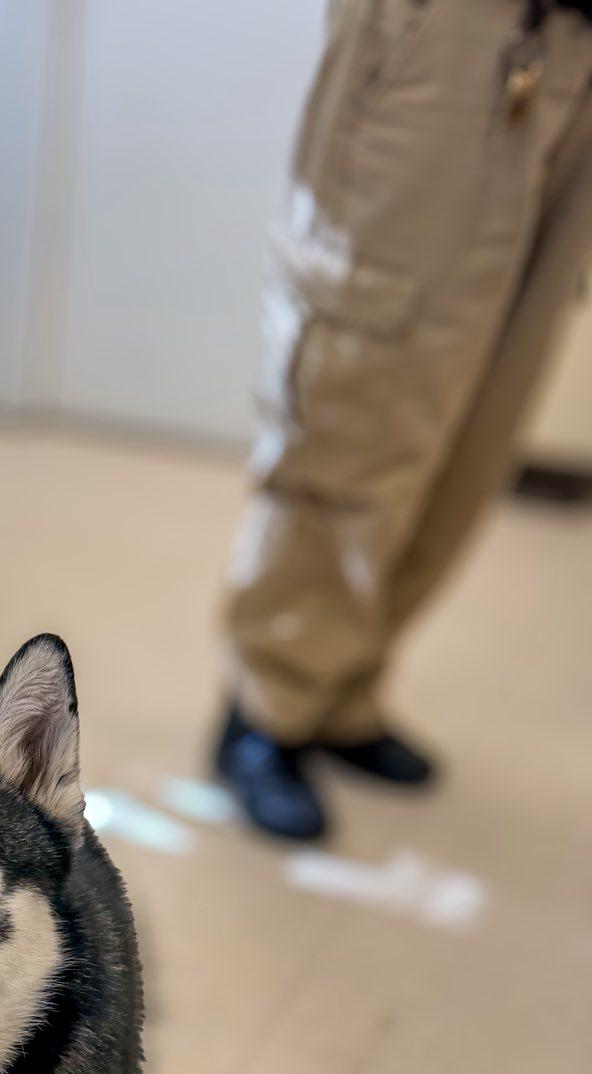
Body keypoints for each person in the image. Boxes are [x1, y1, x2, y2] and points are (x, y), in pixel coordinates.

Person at [216, 0, 592, 839]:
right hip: (456, 35)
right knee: (363, 392)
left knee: (480, 412)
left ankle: (340, 687)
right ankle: (267, 705)